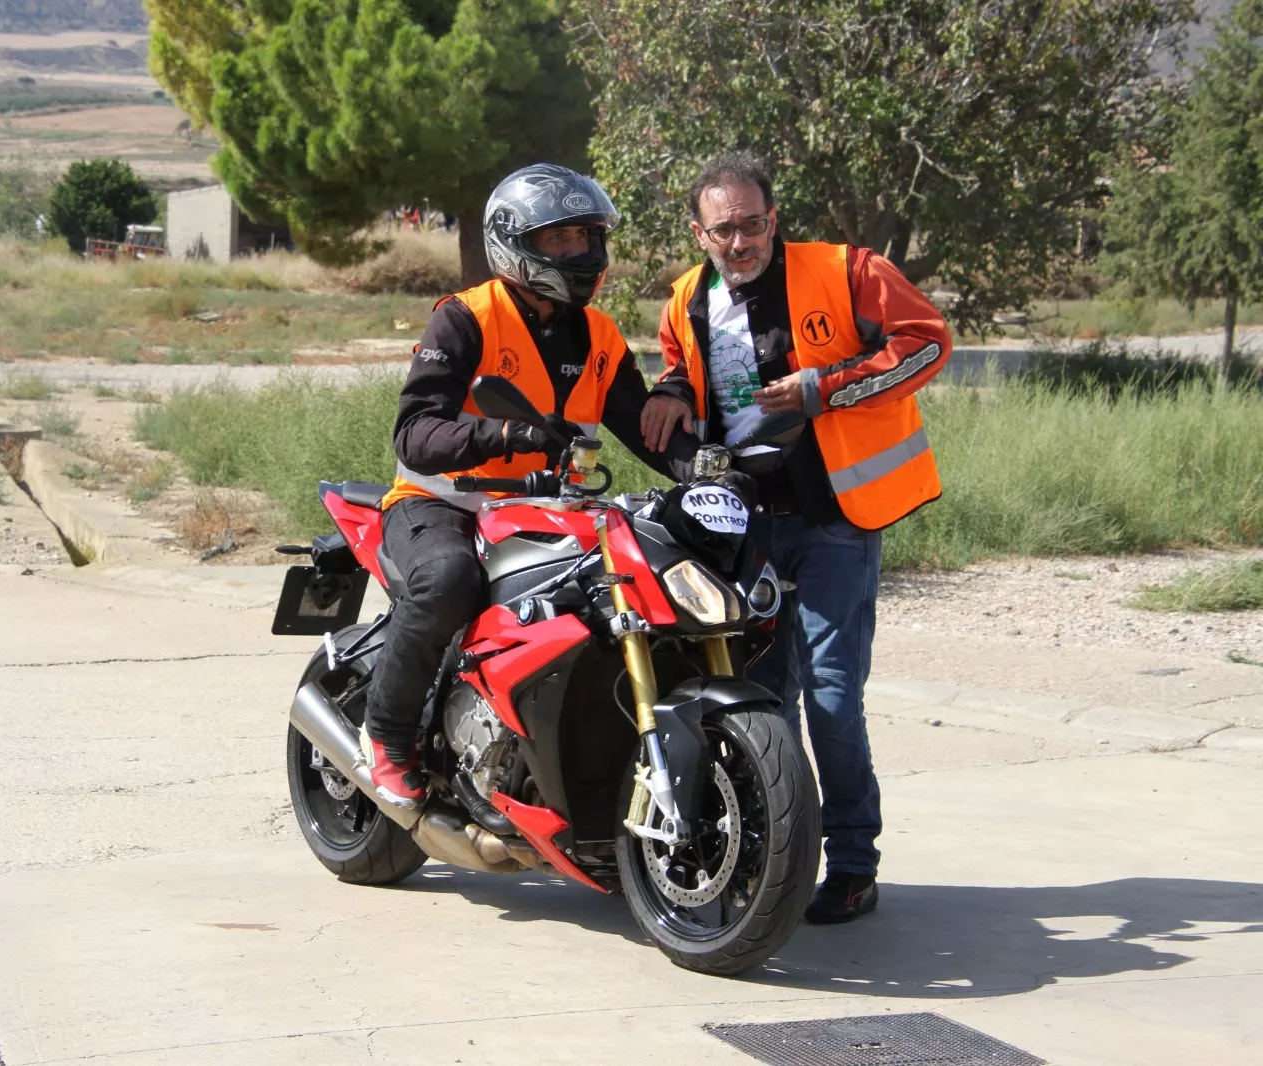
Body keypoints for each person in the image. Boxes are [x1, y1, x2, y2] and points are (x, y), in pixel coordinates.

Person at [640, 149, 952, 924]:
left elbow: (927, 342)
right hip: (741, 531)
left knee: (833, 698)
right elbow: (683, 364)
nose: (739, 242)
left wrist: (825, 388)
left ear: (773, 220)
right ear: (699, 233)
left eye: (752, 225)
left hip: (836, 521)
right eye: (723, 230)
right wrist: (674, 391)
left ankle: (851, 864)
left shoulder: (848, 271)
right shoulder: (687, 298)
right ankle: (762, 860)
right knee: (756, 700)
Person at [363, 163, 694, 806]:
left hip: (546, 511)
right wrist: (504, 438)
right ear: (514, 243)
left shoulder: (598, 333)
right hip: (443, 503)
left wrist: (710, 469)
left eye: (586, 237)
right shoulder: (467, 318)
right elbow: (414, 433)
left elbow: (645, 428)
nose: (579, 253)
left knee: (625, 593)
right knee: (449, 580)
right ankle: (389, 738)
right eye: (558, 240)